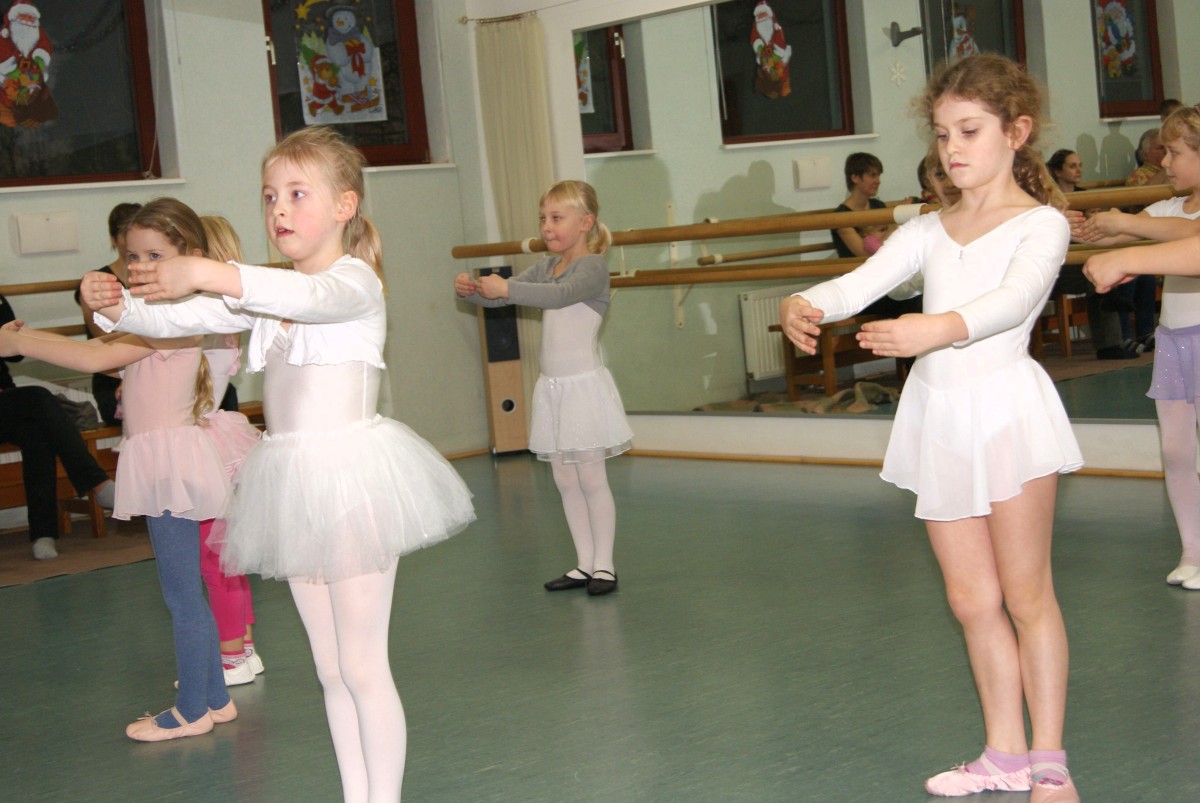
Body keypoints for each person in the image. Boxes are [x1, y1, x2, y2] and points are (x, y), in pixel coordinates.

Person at [81, 126, 475, 800]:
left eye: (297, 194)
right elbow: (177, 320)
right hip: (293, 486)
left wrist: (205, 271)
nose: (279, 209)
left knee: (363, 665)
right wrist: (114, 305)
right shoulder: (269, 292)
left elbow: (303, 298)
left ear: (345, 205)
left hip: (352, 483)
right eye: (270, 197)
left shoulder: (353, 283)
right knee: (330, 669)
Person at [779, 54, 1082, 801]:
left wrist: (934, 328)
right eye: (943, 133)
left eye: (970, 130)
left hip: (1007, 416)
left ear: (1017, 132)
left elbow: (1015, 301)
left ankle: (1050, 762)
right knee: (971, 601)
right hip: (941, 420)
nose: (953, 148)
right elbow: (857, 283)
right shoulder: (927, 228)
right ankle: (1004, 755)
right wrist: (804, 300)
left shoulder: (1041, 223)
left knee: (1027, 596)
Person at [0, 198, 236, 741]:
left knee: (180, 595)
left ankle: (192, 710)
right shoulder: (157, 318)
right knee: (187, 589)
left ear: (189, 255)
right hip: (166, 459)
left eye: (155, 255)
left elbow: (91, 359)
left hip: (168, 464)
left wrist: (15, 341)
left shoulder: (174, 320)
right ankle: (216, 699)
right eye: (133, 256)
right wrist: (25, 336)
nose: (140, 266)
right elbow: (99, 344)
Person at [455, 180, 632, 597]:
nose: (547, 227)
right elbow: (503, 299)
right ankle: (584, 563)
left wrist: (507, 287)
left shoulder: (592, 267)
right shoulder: (545, 267)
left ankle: (605, 565)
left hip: (582, 389)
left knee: (591, 479)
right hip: (552, 390)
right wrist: (474, 291)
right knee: (565, 481)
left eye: (556, 218)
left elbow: (559, 297)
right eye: (543, 219)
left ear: (585, 222)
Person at [1075, 106, 1200, 589]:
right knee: (1175, 450)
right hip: (1173, 340)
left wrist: (1127, 232)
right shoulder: (1168, 208)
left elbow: (1187, 238)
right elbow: (1129, 229)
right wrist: (1093, 225)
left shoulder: (1177, 220)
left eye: (1175, 153)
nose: (1164, 163)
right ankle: (1192, 549)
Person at [196, 214, 263, 684]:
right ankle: (244, 648)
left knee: (213, 558)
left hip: (202, 446)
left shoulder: (206, 314)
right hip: (215, 438)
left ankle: (231, 657)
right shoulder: (222, 312)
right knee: (226, 553)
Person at [0, 295, 115, 559]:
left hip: (6, 401)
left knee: (37, 435)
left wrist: (12, 333)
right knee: (37, 396)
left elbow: (15, 355)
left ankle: (43, 533)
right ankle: (97, 483)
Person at [1046, 148, 1138, 359]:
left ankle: (1117, 341)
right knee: (1096, 274)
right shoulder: (1047, 199)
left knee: (1100, 271)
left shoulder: (1085, 196)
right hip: (1058, 267)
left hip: (1084, 259)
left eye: (1080, 165)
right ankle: (1109, 343)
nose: (1078, 170)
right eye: (1072, 166)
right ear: (1058, 171)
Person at [73, 202, 141, 425]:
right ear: (114, 239)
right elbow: (105, 338)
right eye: (126, 234)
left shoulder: (158, 278)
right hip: (112, 376)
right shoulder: (97, 282)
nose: (133, 241)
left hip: (152, 367)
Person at [831, 152, 921, 317]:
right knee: (911, 300)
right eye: (872, 175)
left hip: (884, 277)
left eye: (878, 175)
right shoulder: (841, 215)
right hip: (862, 285)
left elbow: (893, 241)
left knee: (918, 293)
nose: (878, 181)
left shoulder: (878, 205)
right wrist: (893, 227)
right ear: (855, 178)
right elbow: (863, 251)